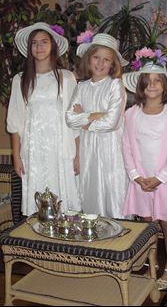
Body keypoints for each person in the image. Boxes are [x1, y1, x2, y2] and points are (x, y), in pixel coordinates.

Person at [121, 49, 167, 291]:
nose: (152, 86)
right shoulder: (131, 115)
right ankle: (151, 261)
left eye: (157, 81)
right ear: (140, 86)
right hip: (141, 180)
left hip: (166, 180)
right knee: (149, 222)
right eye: (147, 82)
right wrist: (135, 176)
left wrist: (159, 178)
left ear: (165, 85)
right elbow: (127, 147)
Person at [7, 22, 81, 216]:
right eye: (34, 43)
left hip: (61, 149)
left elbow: (75, 120)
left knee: (65, 205)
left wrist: (78, 155)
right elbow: (15, 122)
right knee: (38, 207)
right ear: (29, 48)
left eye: (44, 42)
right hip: (34, 150)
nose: (39, 47)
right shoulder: (20, 80)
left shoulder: (66, 78)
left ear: (52, 46)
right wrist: (16, 156)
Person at [65, 33, 129, 218]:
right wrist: (96, 115)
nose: (100, 64)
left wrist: (84, 118)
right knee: (90, 188)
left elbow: (112, 122)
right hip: (87, 149)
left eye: (106, 60)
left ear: (112, 64)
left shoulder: (115, 85)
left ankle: (119, 234)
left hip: (111, 149)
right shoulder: (81, 87)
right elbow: (70, 118)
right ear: (88, 59)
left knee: (112, 190)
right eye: (96, 58)